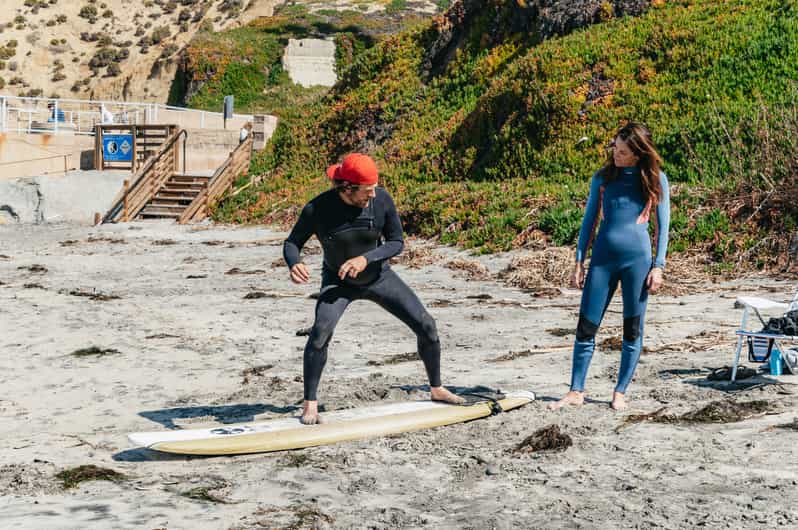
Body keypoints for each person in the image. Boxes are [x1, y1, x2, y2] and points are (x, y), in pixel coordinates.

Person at [284, 152, 464, 424]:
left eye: (374, 189)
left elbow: (396, 242)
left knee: (426, 324)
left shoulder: (381, 201)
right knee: (320, 332)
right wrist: (294, 262)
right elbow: (292, 242)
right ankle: (310, 404)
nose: (372, 196)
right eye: (366, 191)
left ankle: (436, 388)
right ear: (347, 188)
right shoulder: (317, 209)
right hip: (338, 283)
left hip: (379, 278)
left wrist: (365, 258)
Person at [550, 122, 671, 412]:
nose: (616, 155)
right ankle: (576, 390)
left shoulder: (656, 180)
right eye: (614, 148)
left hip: (638, 263)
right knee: (586, 326)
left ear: (639, 154)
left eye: (623, 151)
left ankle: (620, 392)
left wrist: (659, 266)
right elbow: (589, 221)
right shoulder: (602, 179)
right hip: (603, 260)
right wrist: (579, 261)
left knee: (632, 330)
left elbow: (662, 228)